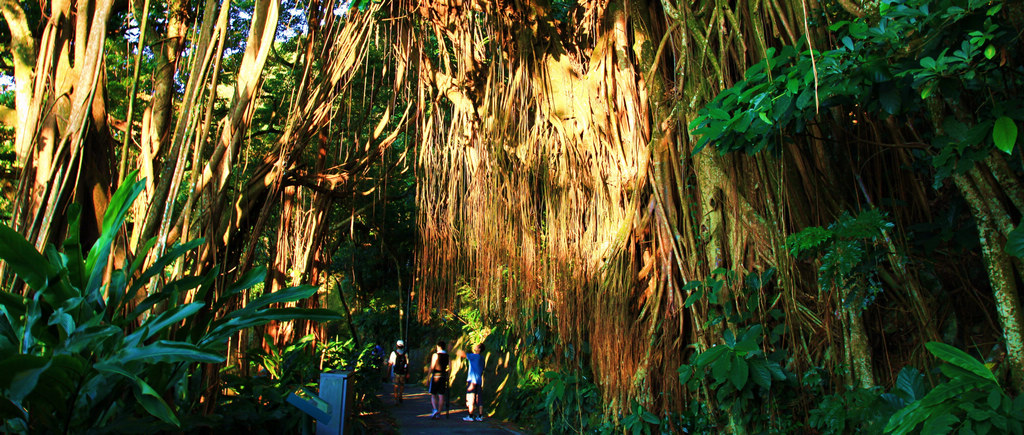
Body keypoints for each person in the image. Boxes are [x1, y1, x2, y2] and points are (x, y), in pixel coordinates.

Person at [456, 343, 486, 422]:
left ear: (479, 349)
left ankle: (470, 415)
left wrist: (454, 349)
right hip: (479, 380)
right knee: (479, 398)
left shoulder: (474, 356)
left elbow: (463, 354)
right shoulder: (482, 358)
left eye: (477, 346)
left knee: (470, 398)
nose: (475, 346)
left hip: (472, 380)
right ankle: (480, 416)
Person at [427, 340, 450, 419]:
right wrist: (448, 376)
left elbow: (432, 366)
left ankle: (435, 409)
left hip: (436, 376)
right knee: (441, 395)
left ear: (438, 347)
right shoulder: (447, 356)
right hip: (443, 376)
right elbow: (449, 367)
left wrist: (428, 376)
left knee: (433, 394)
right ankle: (439, 412)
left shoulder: (435, 355)